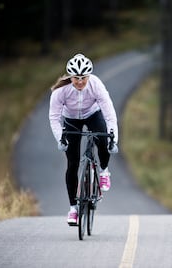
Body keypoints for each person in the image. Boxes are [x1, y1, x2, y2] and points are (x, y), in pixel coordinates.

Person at [49, 53, 119, 225]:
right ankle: (73, 209)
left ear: (89, 76)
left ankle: (103, 171)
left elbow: (109, 114)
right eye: (76, 78)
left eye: (83, 78)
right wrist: (61, 139)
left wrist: (113, 139)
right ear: (70, 77)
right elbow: (54, 117)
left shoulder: (96, 85)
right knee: (72, 164)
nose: (80, 82)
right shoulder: (60, 91)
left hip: (92, 114)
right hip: (71, 120)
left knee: (103, 141)